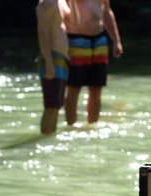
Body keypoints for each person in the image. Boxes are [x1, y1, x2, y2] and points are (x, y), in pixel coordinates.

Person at [63, 0, 122, 126]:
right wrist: (62, 45)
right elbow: (61, 15)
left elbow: (107, 12)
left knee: (96, 88)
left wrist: (116, 40)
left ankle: (92, 126)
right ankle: (70, 127)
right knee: (74, 88)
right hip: (75, 39)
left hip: (99, 40)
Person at [36, 0, 71, 135]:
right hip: (51, 57)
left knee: (57, 105)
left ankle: (51, 137)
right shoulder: (45, 3)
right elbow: (42, 32)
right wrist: (48, 61)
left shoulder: (62, 2)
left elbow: (75, 23)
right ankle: (45, 138)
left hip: (61, 57)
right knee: (51, 105)